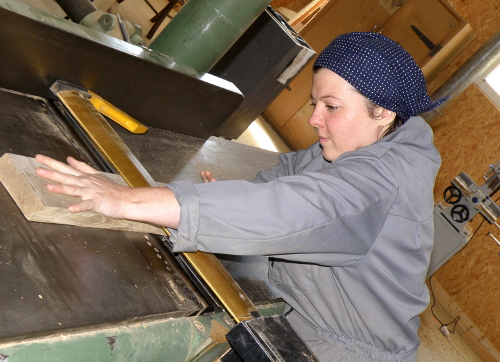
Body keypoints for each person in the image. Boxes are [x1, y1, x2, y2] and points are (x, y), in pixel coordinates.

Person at [36, 32, 448, 362]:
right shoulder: (366, 143)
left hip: (341, 349)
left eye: (332, 107)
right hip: (302, 308)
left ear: (385, 112)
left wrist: (129, 202)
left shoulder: (379, 180)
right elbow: (291, 174)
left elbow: (292, 211)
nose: (313, 119)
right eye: (314, 103)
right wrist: (236, 201)